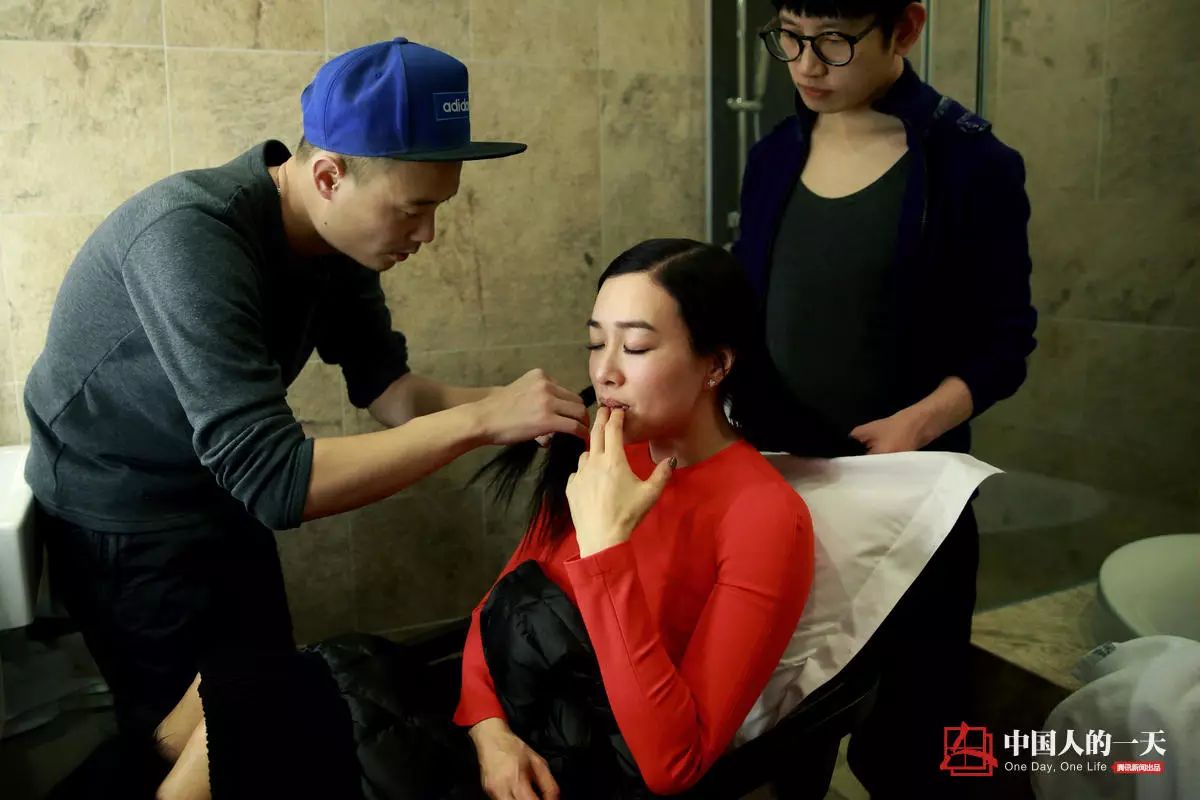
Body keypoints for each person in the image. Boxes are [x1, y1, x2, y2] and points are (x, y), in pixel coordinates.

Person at [119, 239, 862, 800]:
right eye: (596, 341)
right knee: (218, 694)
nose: (604, 370)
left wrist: (606, 551)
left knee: (242, 725)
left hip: (574, 770)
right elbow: (500, 605)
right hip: (490, 726)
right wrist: (488, 730)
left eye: (635, 346)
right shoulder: (598, 451)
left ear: (717, 364)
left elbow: (673, 765)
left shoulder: (764, 517)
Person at [24, 37, 590, 742]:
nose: (429, 234)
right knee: (189, 750)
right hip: (125, 514)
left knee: (266, 709)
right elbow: (277, 480)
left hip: (222, 490)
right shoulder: (189, 237)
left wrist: (522, 408)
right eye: (411, 209)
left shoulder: (338, 244)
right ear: (328, 176)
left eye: (438, 207)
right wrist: (480, 421)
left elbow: (391, 393)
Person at [733, 1, 1037, 796]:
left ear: (905, 27)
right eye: (789, 37)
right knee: (782, 734)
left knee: (915, 742)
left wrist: (921, 422)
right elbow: (748, 314)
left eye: (834, 41)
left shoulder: (971, 164)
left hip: (909, 498)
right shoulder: (772, 155)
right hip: (783, 494)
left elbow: (1007, 342)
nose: (805, 65)